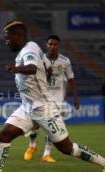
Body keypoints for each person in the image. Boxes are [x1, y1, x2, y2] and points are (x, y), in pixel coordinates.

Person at [0, 20, 105, 172]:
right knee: (4, 135)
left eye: (8, 38)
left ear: (18, 36)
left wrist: (17, 69)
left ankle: (104, 162)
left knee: (67, 148)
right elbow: (42, 65)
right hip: (27, 107)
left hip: (44, 108)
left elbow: (32, 68)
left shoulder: (29, 49)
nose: (6, 42)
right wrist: (46, 71)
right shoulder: (30, 49)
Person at [23, 35, 79, 163]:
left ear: (59, 46)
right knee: (34, 125)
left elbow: (71, 79)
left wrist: (75, 98)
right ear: (46, 45)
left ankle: (46, 154)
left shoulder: (65, 61)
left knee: (52, 126)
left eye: (55, 44)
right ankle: (32, 146)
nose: (52, 46)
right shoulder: (39, 59)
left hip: (57, 99)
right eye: (50, 44)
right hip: (40, 96)